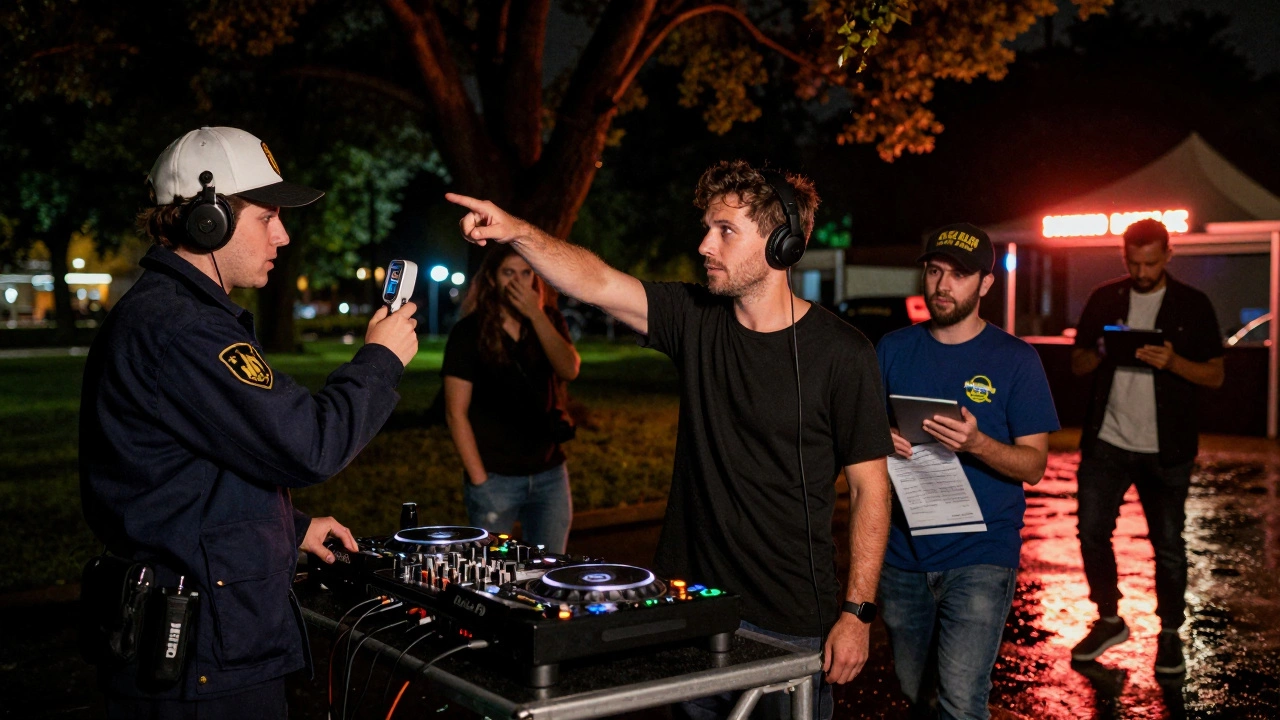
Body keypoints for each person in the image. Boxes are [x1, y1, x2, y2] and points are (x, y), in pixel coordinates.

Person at [445, 160, 895, 720]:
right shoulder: (694, 317)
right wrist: (518, 231)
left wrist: (856, 613)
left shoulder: (843, 354)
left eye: (726, 230)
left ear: (782, 244)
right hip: (690, 611)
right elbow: (597, 280)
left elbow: (871, 489)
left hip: (791, 622)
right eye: (706, 227)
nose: (706, 244)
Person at [79, 126, 419, 717]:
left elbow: (196, 477)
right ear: (208, 220)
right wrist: (380, 360)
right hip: (199, 664)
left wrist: (293, 528)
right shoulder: (186, 330)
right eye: (268, 217)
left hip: (197, 647)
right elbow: (308, 445)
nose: (283, 236)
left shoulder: (173, 316)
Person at [876, 223, 1059, 720]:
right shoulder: (892, 349)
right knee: (918, 694)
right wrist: (877, 439)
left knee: (960, 701)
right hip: (902, 554)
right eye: (934, 271)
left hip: (981, 554)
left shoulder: (1016, 360)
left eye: (958, 275)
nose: (942, 285)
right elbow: (854, 434)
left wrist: (978, 443)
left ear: (984, 284)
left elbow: (1035, 465)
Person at [1069, 218, 1224, 674]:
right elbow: (1077, 364)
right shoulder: (1105, 298)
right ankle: (1109, 618)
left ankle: (1171, 632)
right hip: (1107, 443)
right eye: (1132, 263)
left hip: (1167, 449)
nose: (1140, 271)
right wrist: (1100, 351)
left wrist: (1173, 361)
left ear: (1168, 255)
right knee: (1091, 533)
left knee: (1169, 545)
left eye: (1150, 263)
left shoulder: (1192, 305)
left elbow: (1215, 374)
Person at [441, 245, 581, 552]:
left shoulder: (549, 321)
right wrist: (480, 479)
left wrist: (536, 313)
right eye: (508, 272)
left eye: (526, 273)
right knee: (490, 577)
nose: (518, 281)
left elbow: (569, 369)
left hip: (549, 474)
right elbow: (455, 413)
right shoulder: (469, 332)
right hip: (495, 477)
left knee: (549, 574)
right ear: (491, 279)